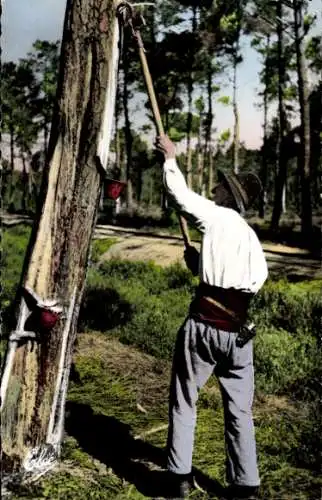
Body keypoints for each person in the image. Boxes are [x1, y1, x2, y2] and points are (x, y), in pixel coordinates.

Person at [155, 135, 268, 500]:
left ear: (227, 196)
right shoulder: (251, 238)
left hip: (203, 329)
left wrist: (170, 158)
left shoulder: (216, 217)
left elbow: (181, 197)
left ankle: (178, 478)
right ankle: (246, 486)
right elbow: (250, 284)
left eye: (220, 185)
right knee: (240, 411)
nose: (215, 186)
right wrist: (201, 267)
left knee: (185, 399)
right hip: (238, 336)